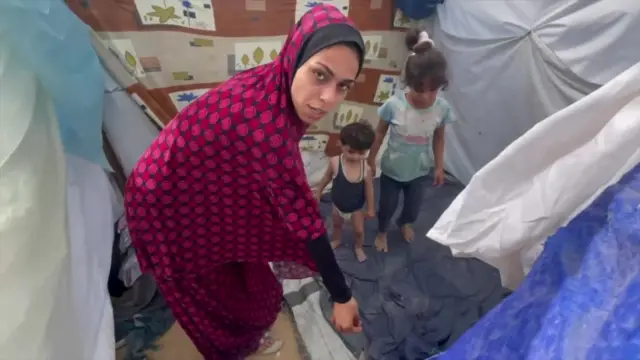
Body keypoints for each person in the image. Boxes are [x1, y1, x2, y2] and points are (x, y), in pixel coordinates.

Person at [123, 5, 365, 359]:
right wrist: (342, 297)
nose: (329, 98)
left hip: (203, 189)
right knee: (215, 301)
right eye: (320, 75)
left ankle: (243, 336)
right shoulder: (268, 131)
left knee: (254, 282)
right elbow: (306, 224)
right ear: (296, 58)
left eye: (343, 86)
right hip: (166, 206)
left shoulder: (273, 80)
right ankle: (232, 348)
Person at [367, 28, 454, 253]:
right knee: (386, 206)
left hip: (419, 170)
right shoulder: (394, 106)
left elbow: (439, 137)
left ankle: (404, 223)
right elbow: (378, 133)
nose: (427, 96)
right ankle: (383, 231)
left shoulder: (441, 109)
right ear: (410, 82)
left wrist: (439, 166)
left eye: (434, 89)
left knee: (413, 209)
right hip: (392, 170)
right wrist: (370, 160)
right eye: (421, 89)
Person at [315, 122, 376, 262]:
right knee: (337, 225)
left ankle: (359, 247)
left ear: (367, 151)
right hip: (337, 204)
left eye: (361, 153)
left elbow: (369, 189)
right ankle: (337, 240)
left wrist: (371, 208)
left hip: (356, 209)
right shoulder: (335, 162)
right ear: (340, 144)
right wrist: (318, 191)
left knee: (359, 231)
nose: (355, 157)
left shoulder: (365, 169)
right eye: (351, 152)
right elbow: (326, 178)